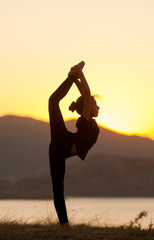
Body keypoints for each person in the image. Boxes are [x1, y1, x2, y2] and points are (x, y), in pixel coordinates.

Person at [48, 61, 100, 226]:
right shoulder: (86, 119)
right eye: (95, 104)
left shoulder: (88, 121)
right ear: (87, 107)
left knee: (58, 190)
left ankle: (64, 226)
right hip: (62, 141)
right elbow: (86, 94)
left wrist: (75, 78)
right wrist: (79, 72)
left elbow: (86, 96)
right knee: (52, 102)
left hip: (59, 150)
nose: (98, 107)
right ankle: (70, 76)